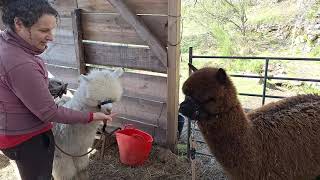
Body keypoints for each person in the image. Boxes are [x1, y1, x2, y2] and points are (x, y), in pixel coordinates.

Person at [0, 0, 116, 179]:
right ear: (19, 24)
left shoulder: (6, 42)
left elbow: (15, 82)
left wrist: (42, 83)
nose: (51, 37)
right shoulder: (21, 63)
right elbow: (48, 112)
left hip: (9, 130)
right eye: (44, 30)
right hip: (27, 138)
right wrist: (91, 116)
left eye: (52, 29)